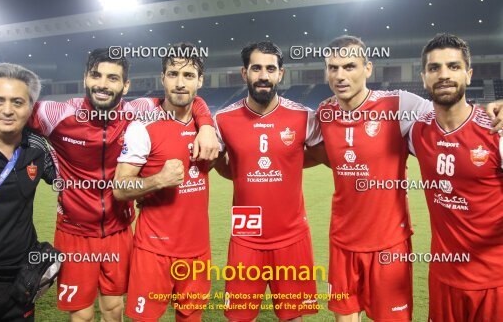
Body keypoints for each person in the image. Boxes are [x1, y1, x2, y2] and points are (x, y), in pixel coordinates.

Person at [317, 35, 503, 322]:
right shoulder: (326, 113)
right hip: (431, 273)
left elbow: (456, 114)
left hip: (480, 276)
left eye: (453, 66)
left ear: (368, 68)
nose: (340, 75)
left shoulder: (401, 105)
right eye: (333, 67)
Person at [27, 48, 219, 321]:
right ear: (85, 78)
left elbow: (186, 97)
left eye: (113, 78)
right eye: (96, 75)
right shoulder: (56, 113)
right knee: (81, 315)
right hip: (74, 232)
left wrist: (207, 124)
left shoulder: (137, 111)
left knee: (114, 309)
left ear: (125, 85)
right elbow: (12, 108)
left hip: (119, 230)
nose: (103, 84)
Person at [214, 41, 327, 322]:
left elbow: (322, 156)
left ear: (280, 74)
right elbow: (223, 167)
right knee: (239, 317)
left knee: (293, 316)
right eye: (256, 68)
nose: (263, 75)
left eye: (270, 69)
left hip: (292, 236)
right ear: (244, 73)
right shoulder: (223, 120)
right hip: (246, 233)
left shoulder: (303, 117)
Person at [113, 42, 212, 322]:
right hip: (154, 251)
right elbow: (120, 188)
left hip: (197, 251)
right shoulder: (143, 126)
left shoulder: (206, 126)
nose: (180, 83)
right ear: (163, 78)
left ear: (200, 81)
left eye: (189, 76)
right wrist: (158, 180)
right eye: (173, 74)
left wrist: (206, 127)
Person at [409, 33, 503, 321]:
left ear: (469, 74)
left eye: (453, 66)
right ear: (424, 77)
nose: (444, 75)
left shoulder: (496, 131)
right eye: (434, 68)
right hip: (443, 278)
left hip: (494, 282)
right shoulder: (416, 132)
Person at [0, 63, 56, 321]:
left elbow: (72, 182)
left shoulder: (37, 147)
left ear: (31, 108)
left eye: (17, 102)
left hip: (22, 276)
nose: (7, 110)